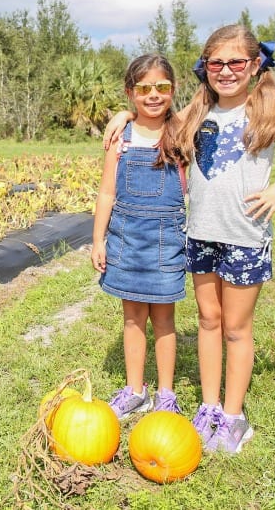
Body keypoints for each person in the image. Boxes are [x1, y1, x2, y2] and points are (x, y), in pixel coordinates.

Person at [102, 25, 275, 453]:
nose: (227, 71)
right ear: (205, 69)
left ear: (255, 66)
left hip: (244, 238)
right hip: (199, 236)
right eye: (217, 63)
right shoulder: (197, 112)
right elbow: (152, 120)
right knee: (208, 322)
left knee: (236, 328)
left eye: (237, 62)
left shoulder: (269, 110)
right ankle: (210, 406)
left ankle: (234, 416)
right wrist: (124, 116)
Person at [92, 54, 188, 419]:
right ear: (131, 92)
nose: (153, 95)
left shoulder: (181, 133)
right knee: (132, 318)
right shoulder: (121, 139)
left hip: (166, 244)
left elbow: (208, 102)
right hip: (126, 242)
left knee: (164, 321)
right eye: (144, 89)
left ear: (173, 90)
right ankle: (135, 391)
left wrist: (126, 112)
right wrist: (98, 239)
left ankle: (165, 393)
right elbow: (106, 193)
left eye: (161, 87)